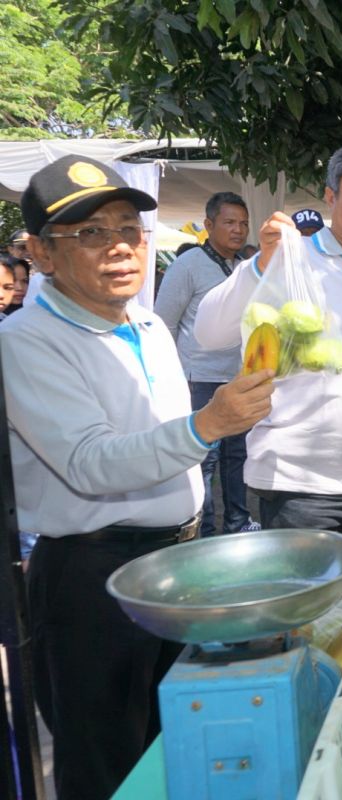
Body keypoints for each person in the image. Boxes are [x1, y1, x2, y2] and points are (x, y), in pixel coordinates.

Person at [3, 155, 272, 799]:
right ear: (40, 254)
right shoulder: (27, 341)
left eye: (128, 229)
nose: (119, 247)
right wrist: (207, 425)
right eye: (90, 234)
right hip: (93, 580)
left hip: (175, 564)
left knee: (173, 744)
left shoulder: (146, 323)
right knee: (103, 763)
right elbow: (90, 463)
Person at [195, 141, 342, 597]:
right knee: (307, 623)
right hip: (300, 490)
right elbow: (209, 332)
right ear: (331, 197)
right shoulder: (290, 259)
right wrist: (261, 264)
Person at [155, 191, 257, 536]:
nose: (238, 230)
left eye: (243, 223)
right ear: (209, 224)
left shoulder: (243, 267)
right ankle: (204, 532)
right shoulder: (188, 265)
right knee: (204, 461)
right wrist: (173, 378)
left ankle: (238, 523)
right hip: (199, 380)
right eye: (230, 222)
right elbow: (164, 322)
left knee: (237, 457)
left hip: (236, 378)